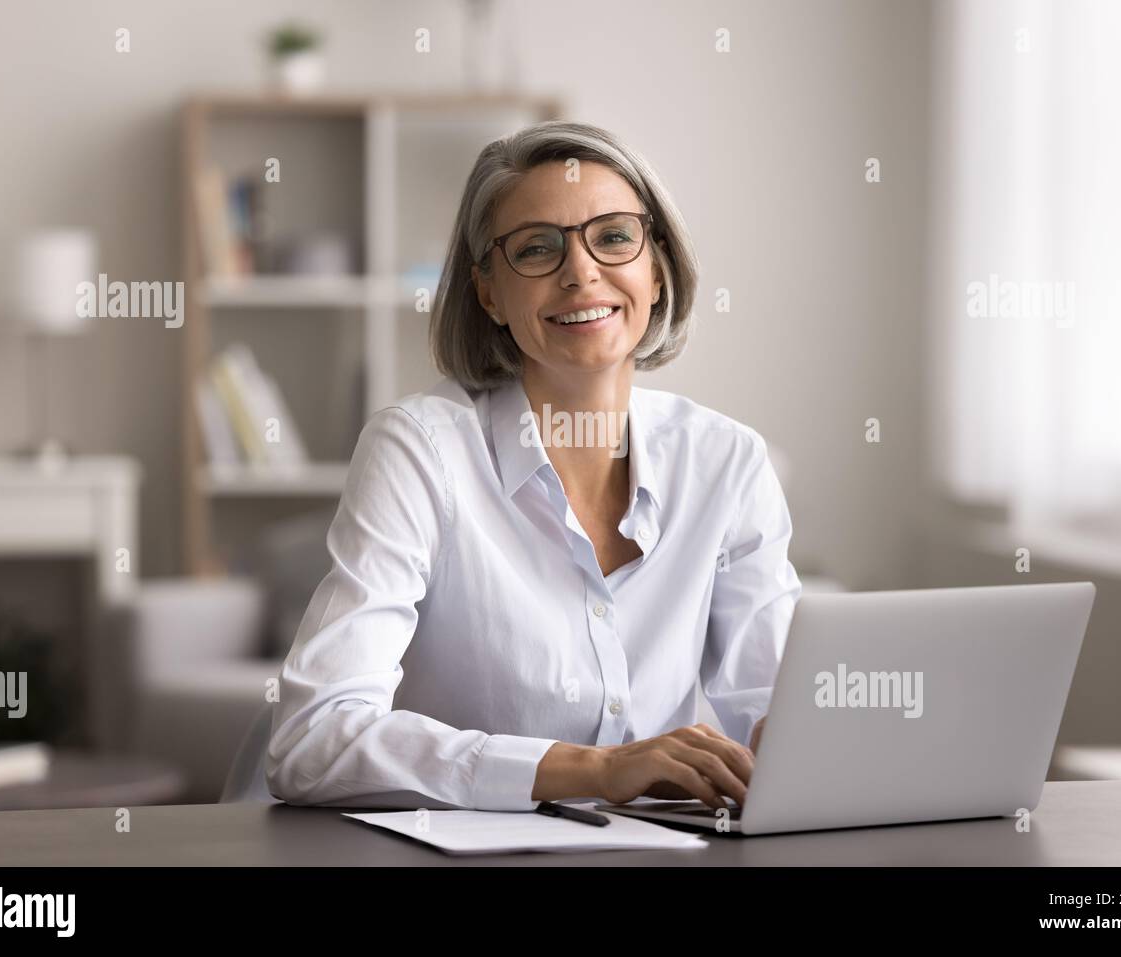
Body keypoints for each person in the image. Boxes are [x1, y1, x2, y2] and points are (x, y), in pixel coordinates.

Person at [265, 121, 802, 812]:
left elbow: (778, 719)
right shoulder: (420, 452)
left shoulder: (727, 462)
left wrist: (803, 747)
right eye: (537, 249)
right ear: (488, 291)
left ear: (657, 267)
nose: (581, 271)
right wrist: (594, 769)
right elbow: (312, 739)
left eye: (612, 237)